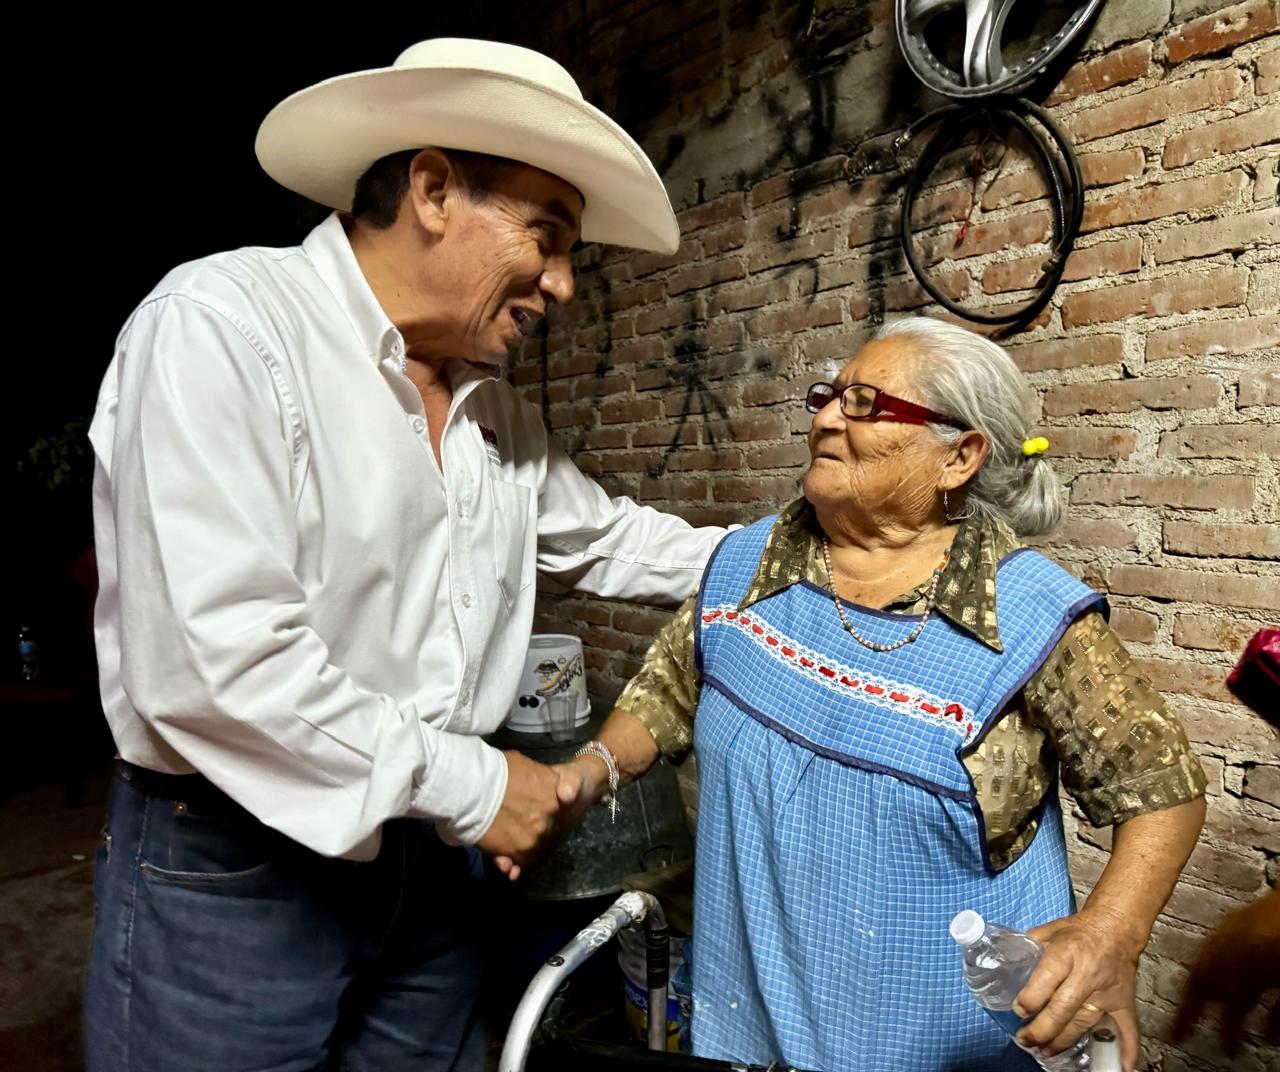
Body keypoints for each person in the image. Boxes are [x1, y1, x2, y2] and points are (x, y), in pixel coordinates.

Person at [84, 38, 727, 1072]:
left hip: (432, 865)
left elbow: (612, 541)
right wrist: (481, 788)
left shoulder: (494, 412)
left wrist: (803, 550)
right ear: (432, 189)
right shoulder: (221, 327)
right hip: (238, 868)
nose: (563, 284)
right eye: (547, 238)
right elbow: (212, 664)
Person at [560, 317, 1207, 1072]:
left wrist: (1110, 933)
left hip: (941, 1040)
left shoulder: (1029, 615)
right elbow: (670, 689)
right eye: (829, 396)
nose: (827, 419)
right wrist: (588, 772)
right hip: (746, 1020)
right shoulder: (744, 565)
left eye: (865, 403)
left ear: (958, 456)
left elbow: (1162, 787)